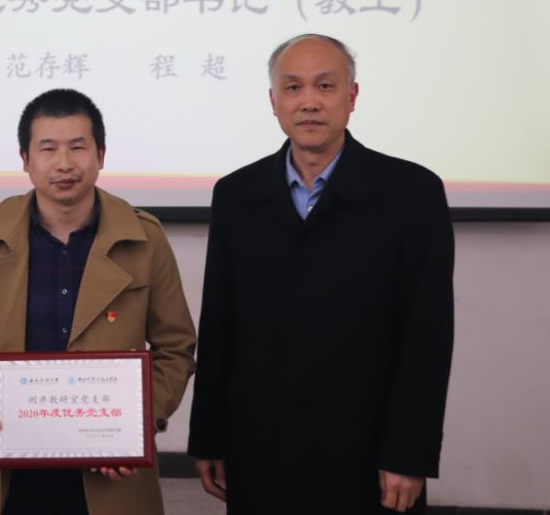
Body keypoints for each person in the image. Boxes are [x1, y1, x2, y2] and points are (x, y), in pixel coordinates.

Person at [187, 34, 455, 514]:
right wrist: (209, 437)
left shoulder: (412, 193)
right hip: (260, 449)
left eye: (325, 86)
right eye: (293, 88)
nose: (308, 101)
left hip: (368, 454)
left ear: (352, 96)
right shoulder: (237, 194)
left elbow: (427, 338)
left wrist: (409, 454)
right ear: (273, 101)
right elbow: (220, 325)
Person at [0, 88, 197, 515]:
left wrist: (136, 422)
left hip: (110, 465)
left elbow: (176, 347)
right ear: (25, 159)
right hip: (10, 460)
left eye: (78, 147)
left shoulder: (145, 238)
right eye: (48, 149)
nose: (64, 164)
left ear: (101, 155)